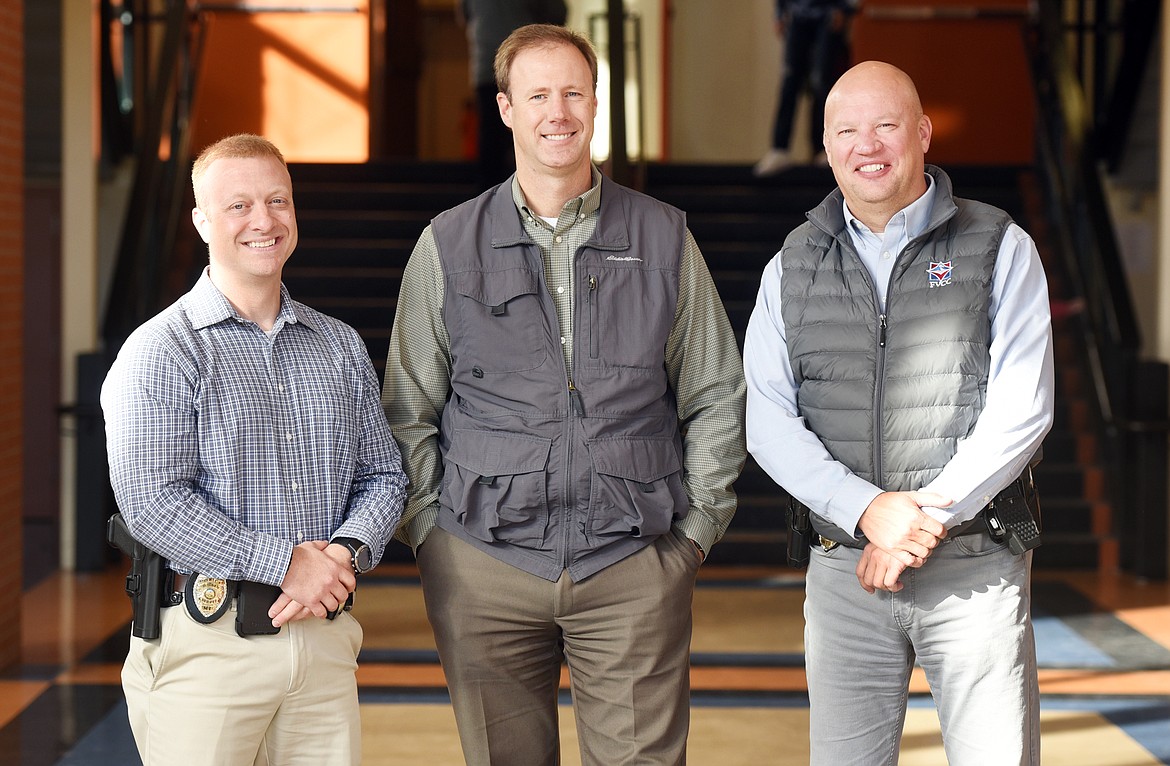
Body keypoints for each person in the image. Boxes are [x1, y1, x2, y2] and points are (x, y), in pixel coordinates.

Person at [382, 23, 746, 766]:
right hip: (482, 565)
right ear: (507, 107)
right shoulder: (447, 244)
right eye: (539, 94)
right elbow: (407, 405)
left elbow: (716, 392)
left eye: (574, 92)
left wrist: (694, 533)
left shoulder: (664, 236)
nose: (559, 112)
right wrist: (432, 535)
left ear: (597, 103)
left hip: (633, 562)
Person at [743, 61, 1054, 764]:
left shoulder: (999, 244)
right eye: (847, 130)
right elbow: (766, 420)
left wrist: (918, 521)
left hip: (974, 568)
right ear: (826, 148)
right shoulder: (791, 264)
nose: (867, 144)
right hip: (843, 573)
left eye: (886, 125)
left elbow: (1023, 408)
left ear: (922, 133)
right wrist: (864, 510)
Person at [101, 133, 407, 765]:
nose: (264, 221)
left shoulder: (338, 345)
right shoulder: (162, 350)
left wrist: (344, 552)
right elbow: (152, 502)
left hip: (322, 645)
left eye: (278, 200)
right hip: (206, 648)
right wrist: (284, 562)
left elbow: (383, 473)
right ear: (201, 221)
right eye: (238, 205)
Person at [459, 0, 568, 189]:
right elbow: (557, 13)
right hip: (525, 65)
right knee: (527, 131)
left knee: (490, 134)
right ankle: (528, 192)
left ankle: (490, 197)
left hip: (485, 64)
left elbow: (465, 16)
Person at [753, 0, 854, 176]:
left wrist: (843, 8)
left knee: (821, 82)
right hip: (796, 15)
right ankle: (779, 148)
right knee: (790, 81)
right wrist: (779, 12)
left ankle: (822, 150)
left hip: (828, 15)